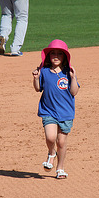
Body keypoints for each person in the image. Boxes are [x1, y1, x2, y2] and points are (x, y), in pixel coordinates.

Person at [32, 39, 79, 179]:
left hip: (66, 112)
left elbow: (74, 92)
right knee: (50, 137)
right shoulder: (44, 71)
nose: (56, 56)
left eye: (60, 53)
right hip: (48, 110)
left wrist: (74, 78)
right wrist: (36, 78)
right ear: (48, 56)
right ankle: (51, 152)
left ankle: (60, 168)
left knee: (62, 142)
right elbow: (37, 89)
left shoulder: (68, 72)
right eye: (53, 53)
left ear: (65, 57)